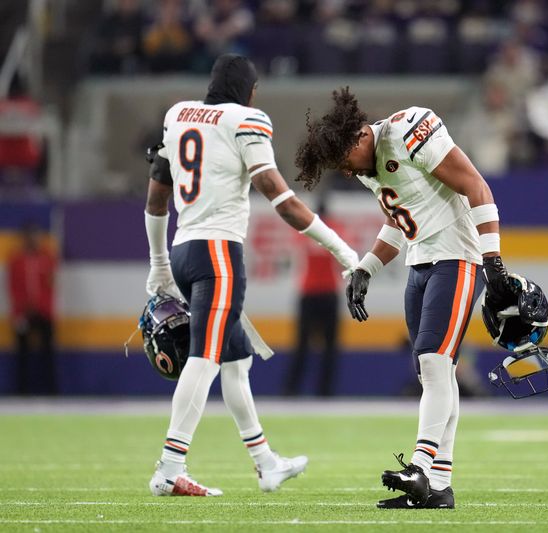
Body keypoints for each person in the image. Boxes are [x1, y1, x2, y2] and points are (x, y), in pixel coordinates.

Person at [144, 54, 358, 497]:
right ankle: (169, 467)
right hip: (218, 255)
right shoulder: (247, 119)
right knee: (204, 360)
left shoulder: (178, 115)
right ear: (251, 90)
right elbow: (281, 199)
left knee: (236, 362)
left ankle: (266, 464)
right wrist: (343, 250)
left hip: (185, 250)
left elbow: (157, 194)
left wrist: (159, 263)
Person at [295, 87, 514, 509]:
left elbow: (476, 185)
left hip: (457, 255)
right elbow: (399, 222)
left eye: (344, 160)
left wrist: (493, 259)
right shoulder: (366, 163)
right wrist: (366, 267)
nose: (345, 171)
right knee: (435, 373)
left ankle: (419, 466)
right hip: (420, 262)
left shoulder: (409, 129)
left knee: (433, 363)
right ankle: (438, 487)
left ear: (360, 137)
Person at [283, 199, 343, 397]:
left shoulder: (304, 233)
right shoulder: (335, 232)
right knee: (329, 348)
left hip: (309, 292)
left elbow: (294, 258)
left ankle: (292, 389)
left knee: (302, 346)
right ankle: (325, 391)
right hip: (328, 292)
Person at [7, 222, 58, 395]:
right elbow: (13, 287)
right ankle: (22, 390)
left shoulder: (46, 258)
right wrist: (20, 311)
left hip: (43, 312)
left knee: (47, 353)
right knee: (23, 354)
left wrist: (42, 306)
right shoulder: (16, 260)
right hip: (23, 313)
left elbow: (50, 285)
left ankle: (51, 390)